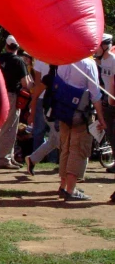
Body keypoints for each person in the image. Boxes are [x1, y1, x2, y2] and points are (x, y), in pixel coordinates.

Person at [54, 57, 106, 201]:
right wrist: (101, 117)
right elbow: (95, 94)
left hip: (63, 111)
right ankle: (71, 190)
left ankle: (63, 186)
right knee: (79, 149)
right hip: (80, 113)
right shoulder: (88, 64)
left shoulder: (63, 60)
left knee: (66, 148)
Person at [0, 35, 30, 169]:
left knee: (6, 126)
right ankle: (4, 159)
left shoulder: (0, 58)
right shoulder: (18, 61)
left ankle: (9, 156)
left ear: (6, 45)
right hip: (11, 95)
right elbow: (25, 83)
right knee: (9, 127)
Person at [25, 64, 60, 175]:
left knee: (53, 141)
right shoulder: (50, 78)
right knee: (63, 140)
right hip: (51, 113)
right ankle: (69, 168)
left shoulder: (56, 77)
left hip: (55, 112)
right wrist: (32, 112)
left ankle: (32, 159)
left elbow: (36, 96)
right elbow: (36, 96)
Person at [94, 33, 115, 173]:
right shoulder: (103, 60)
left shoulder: (113, 60)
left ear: (105, 45)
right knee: (110, 135)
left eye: (98, 46)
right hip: (107, 102)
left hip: (113, 101)